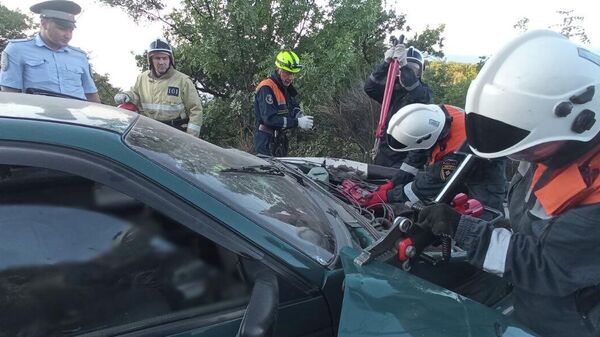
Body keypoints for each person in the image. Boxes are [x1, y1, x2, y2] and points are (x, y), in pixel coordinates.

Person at [416, 30, 600, 337]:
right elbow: (530, 224)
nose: (520, 157)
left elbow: (545, 267)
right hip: (535, 305)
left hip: (571, 323)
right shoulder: (555, 147)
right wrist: (492, 227)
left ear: (583, 121)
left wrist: (463, 230)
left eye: (527, 149)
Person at [359, 103, 507, 212]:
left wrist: (388, 196)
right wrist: (394, 182)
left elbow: (428, 184)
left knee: (483, 212)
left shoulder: (455, 152)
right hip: (464, 158)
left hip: (486, 170)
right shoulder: (433, 117)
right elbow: (417, 154)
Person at [0, 0, 100, 102]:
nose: (68, 35)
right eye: (62, 29)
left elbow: (91, 94)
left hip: (77, 115)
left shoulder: (80, 56)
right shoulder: (17, 49)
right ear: (44, 23)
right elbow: (9, 93)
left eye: (71, 30)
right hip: (37, 115)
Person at [114, 38, 203, 137]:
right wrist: (126, 95)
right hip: (148, 133)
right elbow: (135, 95)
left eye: (164, 58)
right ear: (151, 60)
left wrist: (191, 138)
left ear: (170, 60)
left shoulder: (183, 81)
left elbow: (195, 110)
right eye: (157, 58)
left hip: (176, 134)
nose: (161, 62)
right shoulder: (142, 78)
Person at [365, 43, 433, 168]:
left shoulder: (423, 92)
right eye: (402, 68)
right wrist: (386, 64)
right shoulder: (392, 91)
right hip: (384, 152)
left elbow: (416, 92)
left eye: (414, 69)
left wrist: (404, 65)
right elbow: (370, 87)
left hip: (406, 156)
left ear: (419, 73)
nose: (408, 72)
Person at [253, 50, 314, 157]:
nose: (291, 77)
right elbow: (270, 119)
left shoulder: (285, 88)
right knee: (269, 173)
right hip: (266, 141)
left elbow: (292, 106)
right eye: (288, 73)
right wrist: (297, 122)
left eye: (293, 73)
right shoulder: (266, 87)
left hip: (279, 141)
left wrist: (298, 114)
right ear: (279, 69)